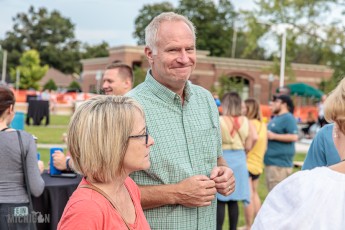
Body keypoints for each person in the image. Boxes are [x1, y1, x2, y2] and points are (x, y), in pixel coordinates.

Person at [126, 12, 235, 229]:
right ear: (150, 53)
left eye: (190, 49)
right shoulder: (128, 108)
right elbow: (109, 192)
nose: (184, 58)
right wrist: (175, 193)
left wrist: (225, 173)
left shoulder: (205, 99)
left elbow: (217, 159)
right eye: (173, 50)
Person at [252, 78, 345, 229]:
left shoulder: (288, 119)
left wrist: (273, 136)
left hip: (281, 163)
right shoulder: (325, 135)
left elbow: (304, 193)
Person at [58, 96, 153, 229]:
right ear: (113, 144)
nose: (151, 141)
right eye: (142, 134)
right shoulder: (86, 210)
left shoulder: (127, 186)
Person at [52, 62, 135, 172]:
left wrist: (67, 163)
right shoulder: (109, 110)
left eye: (110, 81)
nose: (104, 86)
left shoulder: (131, 113)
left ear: (126, 83)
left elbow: (104, 161)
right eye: (104, 81)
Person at [0, 85, 45, 230]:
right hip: (17, 212)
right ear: (10, 109)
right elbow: (36, 189)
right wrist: (37, 170)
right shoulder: (24, 139)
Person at [216, 92, 256, 230]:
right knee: (234, 199)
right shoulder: (246, 121)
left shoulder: (219, 120)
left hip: (224, 158)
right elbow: (254, 138)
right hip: (239, 158)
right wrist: (245, 150)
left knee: (220, 198)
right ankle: (233, 228)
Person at [264, 94, 298, 192]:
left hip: (279, 165)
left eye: (276, 101)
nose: (273, 104)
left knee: (277, 196)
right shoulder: (276, 118)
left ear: (284, 104)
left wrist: (274, 136)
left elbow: (294, 136)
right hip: (271, 163)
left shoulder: (288, 118)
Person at [243, 98, 268, 230]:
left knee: (248, 196)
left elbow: (252, 139)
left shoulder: (249, 123)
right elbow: (265, 146)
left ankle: (248, 226)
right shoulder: (262, 124)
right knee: (254, 193)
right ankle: (258, 224)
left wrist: (246, 151)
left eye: (244, 108)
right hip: (258, 164)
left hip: (248, 163)